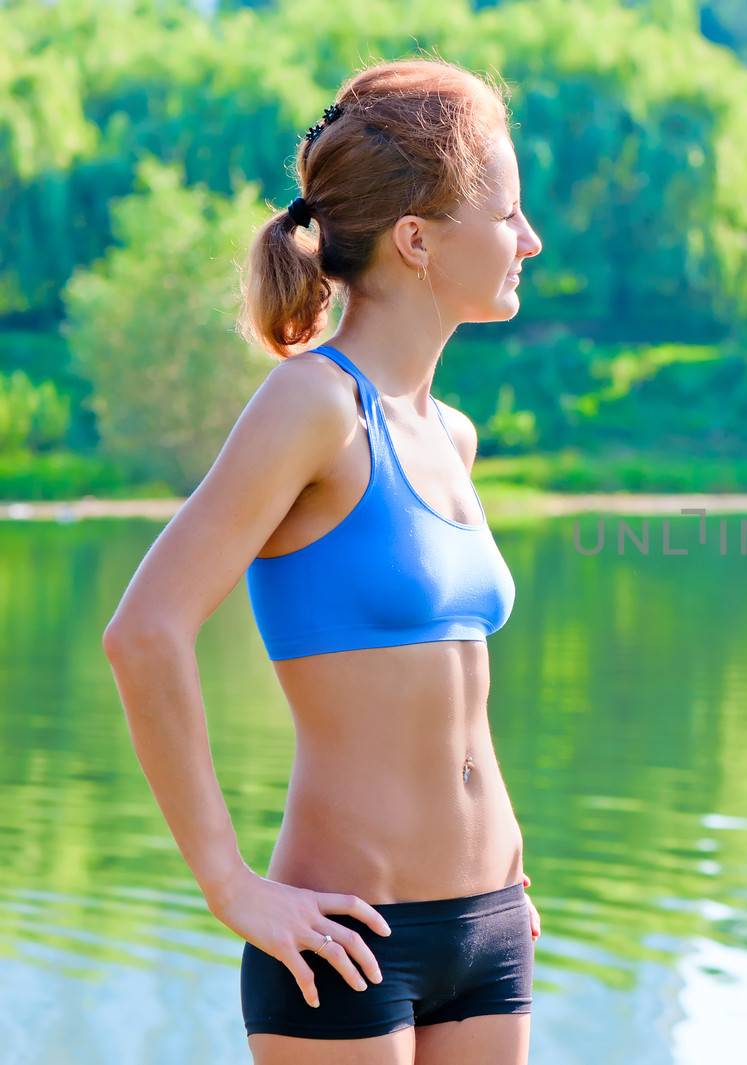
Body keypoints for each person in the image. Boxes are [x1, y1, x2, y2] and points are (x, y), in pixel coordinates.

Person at [101, 56, 543, 1064]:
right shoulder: (315, 406)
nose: (530, 240)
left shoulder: (453, 435)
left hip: (492, 924)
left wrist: (504, 883)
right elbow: (144, 633)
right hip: (345, 939)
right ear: (418, 239)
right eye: (508, 213)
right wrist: (231, 886)